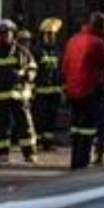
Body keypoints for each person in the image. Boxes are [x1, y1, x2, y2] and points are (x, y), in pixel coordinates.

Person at [63, 12, 104, 170]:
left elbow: (65, 66)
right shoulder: (97, 43)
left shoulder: (73, 40)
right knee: (87, 130)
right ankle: (83, 164)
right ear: (102, 28)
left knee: (76, 129)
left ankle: (75, 162)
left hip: (73, 91)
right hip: (90, 91)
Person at [0, 20, 38, 163]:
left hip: (19, 95)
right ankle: (2, 154)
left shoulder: (23, 51)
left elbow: (33, 68)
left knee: (25, 125)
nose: (5, 36)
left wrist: (25, 76)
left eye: (7, 33)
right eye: (2, 34)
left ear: (13, 34)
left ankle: (29, 154)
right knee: (1, 126)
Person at [32, 18, 64, 151]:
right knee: (39, 118)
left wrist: (63, 89)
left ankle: (48, 143)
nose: (51, 37)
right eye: (49, 34)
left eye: (53, 34)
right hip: (40, 91)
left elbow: (61, 70)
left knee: (52, 118)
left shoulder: (57, 50)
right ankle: (37, 142)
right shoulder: (36, 50)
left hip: (55, 91)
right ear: (43, 34)